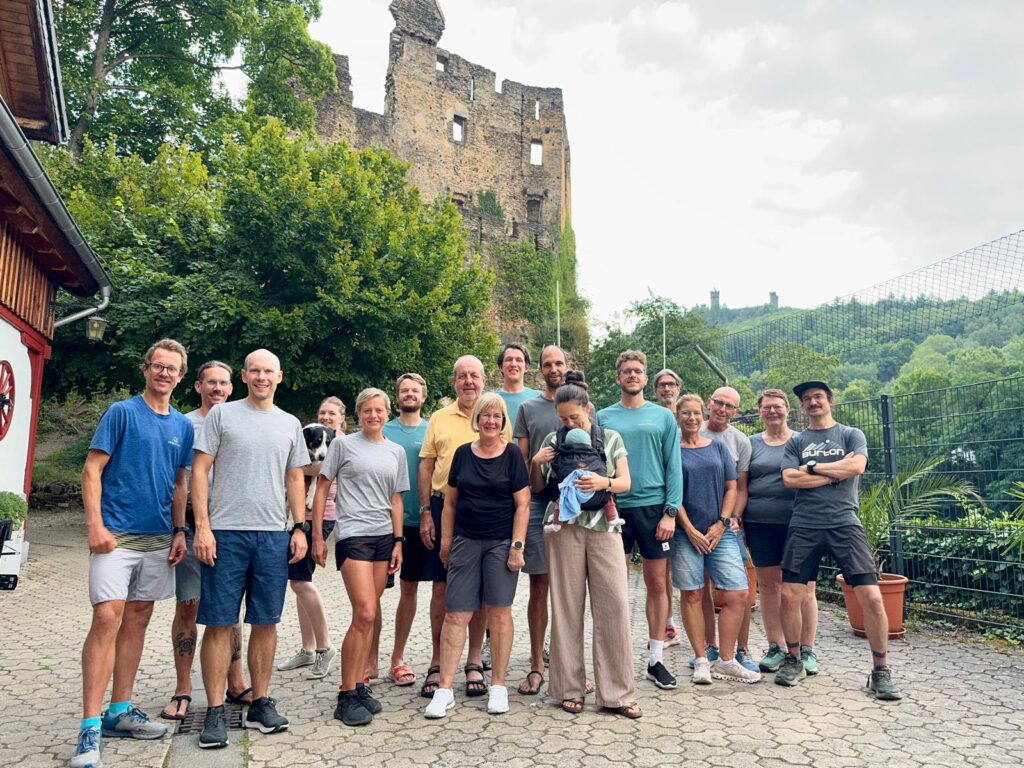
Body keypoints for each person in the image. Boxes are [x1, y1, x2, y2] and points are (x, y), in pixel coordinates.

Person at [73, 339, 193, 768]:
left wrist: (179, 531)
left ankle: (119, 711)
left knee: (138, 618)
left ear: (181, 376)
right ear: (146, 369)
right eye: (158, 365)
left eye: (172, 368)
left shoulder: (182, 425)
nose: (164, 373)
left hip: (158, 538)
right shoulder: (121, 413)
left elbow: (179, 483)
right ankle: (89, 727)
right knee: (107, 617)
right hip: (115, 536)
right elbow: (92, 469)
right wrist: (95, 525)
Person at [192, 349, 310, 748]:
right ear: (243, 376)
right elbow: (200, 470)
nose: (262, 377)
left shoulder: (289, 423)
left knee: (266, 621)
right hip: (225, 533)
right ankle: (214, 711)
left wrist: (299, 527)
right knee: (219, 623)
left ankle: (260, 702)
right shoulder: (222, 415)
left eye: (268, 371)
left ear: (280, 377)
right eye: (255, 371)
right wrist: (203, 527)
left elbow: (295, 478)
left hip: (273, 535)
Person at [777, 381, 902, 700]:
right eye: (807, 399)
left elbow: (857, 465)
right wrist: (837, 471)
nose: (812, 402)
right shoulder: (797, 440)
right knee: (790, 595)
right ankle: (794, 659)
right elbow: (790, 478)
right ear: (802, 406)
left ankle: (880, 671)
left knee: (872, 597)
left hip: (845, 523)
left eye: (818, 397)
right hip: (804, 524)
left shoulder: (851, 434)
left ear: (830, 401)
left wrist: (812, 467)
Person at [532, 371, 640, 717]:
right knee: (566, 607)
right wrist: (535, 463)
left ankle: (617, 694)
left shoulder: (610, 437)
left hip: (604, 529)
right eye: (563, 418)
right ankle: (569, 688)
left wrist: (601, 481)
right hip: (563, 529)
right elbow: (539, 487)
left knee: (614, 606)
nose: (568, 423)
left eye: (574, 417)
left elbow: (625, 482)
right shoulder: (553, 440)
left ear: (587, 409)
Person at [424, 393, 530, 718]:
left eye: (497, 416)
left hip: (501, 543)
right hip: (465, 541)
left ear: (503, 422)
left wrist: (517, 546)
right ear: (477, 419)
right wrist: (446, 543)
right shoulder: (462, 454)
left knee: (499, 613)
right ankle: (444, 690)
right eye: (486, 415)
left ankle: (498, 685)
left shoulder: (512, 455)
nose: (491, 421)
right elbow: (450, 503)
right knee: (456, 614)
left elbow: (523, 505)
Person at [312, 388, 408, 726]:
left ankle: (359, 684)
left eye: (379, 410)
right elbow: (322, 488)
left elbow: (396, 499)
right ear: (358, 413)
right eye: (367, 410)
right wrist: (316, 536)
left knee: (370, 612)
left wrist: (398, 541)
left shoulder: (395, 451)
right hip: (353, 535)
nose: (373, 415)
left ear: (387, 413)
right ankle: (345, 694)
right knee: (364, 612)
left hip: (384, 537)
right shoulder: (343, 445)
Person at [417, 356, 511, 698]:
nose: (469, 381)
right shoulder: (439, 418)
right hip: (446, 507)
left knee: (483, 593)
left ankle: (474, 660)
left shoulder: (496, 415)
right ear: (454, 382)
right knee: (443, 590)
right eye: (462, 376)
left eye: (474, 375)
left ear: (484, 380)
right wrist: (425, 512)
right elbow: (426, 467)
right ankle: (437, 662)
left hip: (487, 515)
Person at [161, 361, 251, 721]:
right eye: (211, 382)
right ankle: (183, 687)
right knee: (188, 605)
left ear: (231, 387)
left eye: (223, 383)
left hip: (231, 527)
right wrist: (181, 529)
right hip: (191, 525)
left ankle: (236, 681)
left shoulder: (241, 420)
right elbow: (177, 479)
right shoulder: (185, 424)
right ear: (198, 386)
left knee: (230, 610)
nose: (218, 388)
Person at [597, 350, 682, 690]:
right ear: (617, 378)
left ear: (646, 378)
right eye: (626, 371)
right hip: (613, 507)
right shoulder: (602, 417)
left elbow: (674, 465)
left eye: (637, 371)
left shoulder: (662, 417)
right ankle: (614, 659)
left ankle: (655, 659)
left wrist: (671, 511)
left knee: (657, 584)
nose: (632, 375)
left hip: (653, 508)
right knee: (611, 586)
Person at [673, 394, 761, 685]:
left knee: (738, 593)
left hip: (719, 531)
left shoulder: (719, 448)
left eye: (696, 413)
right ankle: (701, 659)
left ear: (703, 414)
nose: (692, 418)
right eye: (686, 413)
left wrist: (722, 523)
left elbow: (732, 488)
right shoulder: (671, 450)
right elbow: (671, 492)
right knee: (693, 593)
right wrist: (689, 529)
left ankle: (726, 660)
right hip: (686, 534)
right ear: (677, 416)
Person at [745, 389, 818, 674]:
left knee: (805, 587)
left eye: (777, 406)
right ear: (759, 412)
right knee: (769, 587)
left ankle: (806, 649)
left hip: (801, 523)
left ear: (788, 409)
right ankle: (776, 646)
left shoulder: (803, 441)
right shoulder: (750, 443)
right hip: (759, 523)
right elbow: (741, 482)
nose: (772, 411)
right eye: (766, 407)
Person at [512, 344, 567, 695]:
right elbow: (521, 462)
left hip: (575, 506)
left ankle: (566, 664)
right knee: (540, 585)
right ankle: (536, 664)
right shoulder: (527, 408)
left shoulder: (583, 404)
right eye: (548, 364)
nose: (554, 369)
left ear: (567, 366)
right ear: (540, 370)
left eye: (559, 363)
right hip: (537, 504)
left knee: (570, 588)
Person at [277, 397, 345, 679]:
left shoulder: (339, 443)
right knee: (299, 580)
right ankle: (307, 649)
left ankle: (325, 646)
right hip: (297, 514)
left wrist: (294, 466)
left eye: (332, 413)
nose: (326, 417)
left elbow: (313, 467)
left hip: (319, 515)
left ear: (342, 418)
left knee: (300, 580)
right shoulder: (311, 435)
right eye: (322, 412)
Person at [698, 386, 758, 673]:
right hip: (697, 524)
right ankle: (709, 646)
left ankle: (741, 649)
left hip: (728, 525)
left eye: (729, 406)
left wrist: (734, 517)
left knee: (740, 588)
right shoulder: (691, 430)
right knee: (701, 588)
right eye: (718, 402)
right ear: (709, 403)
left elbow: (741, 487)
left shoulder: (740, 441)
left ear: (736, 411)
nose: (722, 409)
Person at [382, 373, 431, 687]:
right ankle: (366, 661)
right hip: (384, 524)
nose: (410, 394)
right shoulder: (382, 430)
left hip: (420, 522)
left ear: (423, 396)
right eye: (404, 390)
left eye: (415, 390)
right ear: (397, 396)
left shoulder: (432, 429)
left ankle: (397, 659)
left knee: (410, 589)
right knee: (372, 597)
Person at [651, 367, 683, 648]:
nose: (667, 389)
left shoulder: (689, 417)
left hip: (690, 504)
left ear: (678, 389)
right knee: (663, 573)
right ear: (655, 390)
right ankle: (667, 626)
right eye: (662, 384)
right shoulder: (652, 418)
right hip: (661, 506)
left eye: (671, 384)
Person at [495, 343, 540, 425]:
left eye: (519, 360)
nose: (513, 364)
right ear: (501, 367)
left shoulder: (539, 398)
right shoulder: (489, 399)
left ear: (526, 367)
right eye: (509, 359)